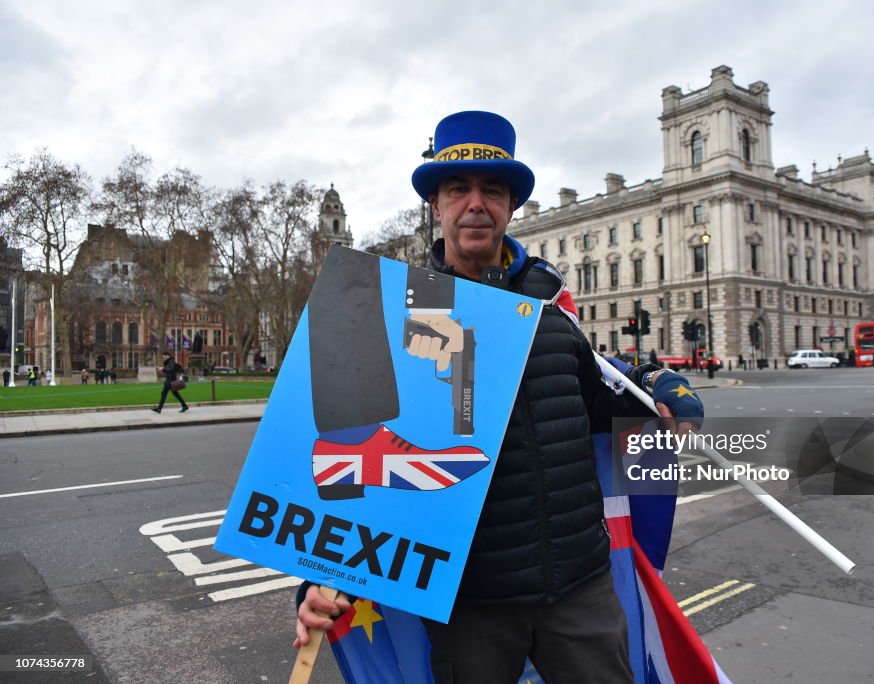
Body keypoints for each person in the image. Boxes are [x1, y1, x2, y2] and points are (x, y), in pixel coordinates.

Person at [294, 111, 704, 682]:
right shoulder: (395, 317)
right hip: (470, 604)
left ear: (511, 206)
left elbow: (599, 404)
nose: (476, 203)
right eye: (458, 189)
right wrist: (316, 573)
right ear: (437, 207)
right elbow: (356, 454)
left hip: (579, 590)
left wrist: (659, 385)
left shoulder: (553, 312)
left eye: (492, 189)